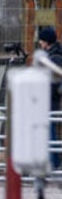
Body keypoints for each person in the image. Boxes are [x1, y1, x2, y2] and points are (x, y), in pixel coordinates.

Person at [38, 27, 62, 168]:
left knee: (49, 129)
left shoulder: (55, 58)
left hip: (49, 99)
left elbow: (55, 80)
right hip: (47, 98)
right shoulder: (52, 55)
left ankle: (53, 162)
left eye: (41, 40)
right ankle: (51, 161)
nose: (40, 43)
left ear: (46, 41)